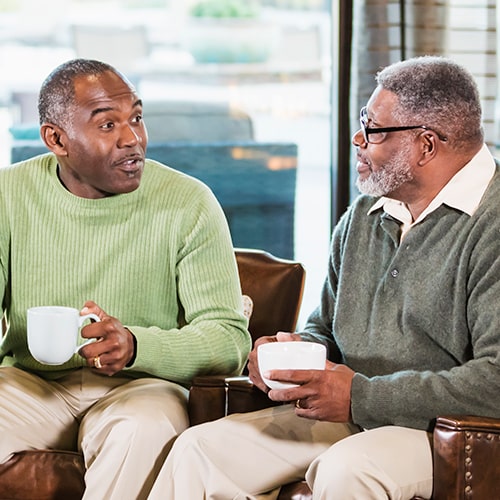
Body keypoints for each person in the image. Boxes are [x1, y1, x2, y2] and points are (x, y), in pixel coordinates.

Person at [148, 55, 500, 499]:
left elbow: (496, 380)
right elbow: (327, 328)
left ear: (426, 145)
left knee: (347, 469)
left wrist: (360, 396)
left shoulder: (492, 225)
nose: (357, 139)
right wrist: (295, 357)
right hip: (350, 415)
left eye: (372, 129)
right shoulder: (364, 216)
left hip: (449, 434)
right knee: (200, 450)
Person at [0, 58, 251, 499]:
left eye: (136, 117)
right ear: (56, 138)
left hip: (141, 389)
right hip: (30, 385)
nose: (133, 139)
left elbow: (229, 341)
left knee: (143, 428)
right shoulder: (9, 195)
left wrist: (136, 345)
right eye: (107, 125)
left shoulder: (189, 203)